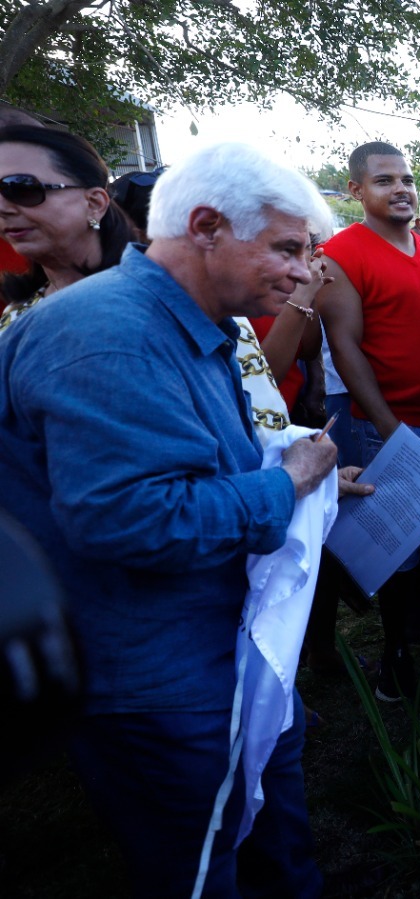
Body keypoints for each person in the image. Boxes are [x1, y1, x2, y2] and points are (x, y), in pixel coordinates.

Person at [0, 141, 338, 896]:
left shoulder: (196, 325)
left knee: (273, 840)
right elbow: (132, 517)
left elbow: (193, 467)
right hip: (156, 674)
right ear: (209, 226)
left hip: (218, 646)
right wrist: (285, 483)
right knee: (201, 864)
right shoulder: (106, 334)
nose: (298, 272)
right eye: (285, 247)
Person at [317, 141, 420, 695]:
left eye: (407, 179)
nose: (401, 189)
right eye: (384, 181)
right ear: (356, 190)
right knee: (399, 548)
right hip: (387, 428)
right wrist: (389, 429)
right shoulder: (340, 254)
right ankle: (398, 653)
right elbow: (345, 349)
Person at [0, 125, 136, 331]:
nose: (2, 208)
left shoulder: (144, 300)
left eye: (21, 187)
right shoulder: (18, 309)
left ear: (94, 204)